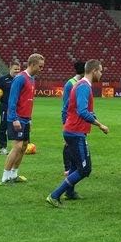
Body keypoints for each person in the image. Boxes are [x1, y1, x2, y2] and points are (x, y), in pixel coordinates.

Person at [46, 60, 109, 206]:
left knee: (74, 166)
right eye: (100, 71)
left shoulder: (80, 85)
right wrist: (100, 125)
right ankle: (54, 195)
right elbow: (82, 111)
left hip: (72, 130)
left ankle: (69, 192)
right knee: (85, 169)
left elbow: (72, 107)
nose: (101, 74)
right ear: (94, 71)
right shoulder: (83, 87)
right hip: (75, 132)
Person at [0, 53, 45, 185]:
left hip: (25, 118)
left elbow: (28, 101)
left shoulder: (32, 79)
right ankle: (5, 177)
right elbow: (12, 100)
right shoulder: (20, 78)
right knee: (17, 146)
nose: (41, 69)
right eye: (40, 66)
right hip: (17, 118)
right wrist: (14, 119)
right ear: (32, 64)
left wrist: (29, 119)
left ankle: (14, 174)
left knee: (24, 146)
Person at [62, 59, 86, 175]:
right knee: (68, 144)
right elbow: (65, 105)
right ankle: (68, 168)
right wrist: (65, 121)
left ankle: (75, 166)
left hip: (81, 119)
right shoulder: (70, 84)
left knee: (79, 143)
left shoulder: (82, 83)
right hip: (71, 120)